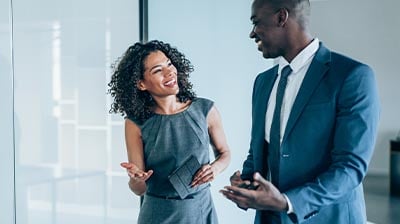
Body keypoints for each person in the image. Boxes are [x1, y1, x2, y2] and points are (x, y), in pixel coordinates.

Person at [220, 0, 380, 223]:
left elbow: (349, 169)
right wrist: (246, 184)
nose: (252, 33)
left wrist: (288, 202)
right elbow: (259, 151)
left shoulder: (351, 76)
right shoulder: (263, 82)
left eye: (256, 23)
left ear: (281, 18)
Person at [108, 40, 231, 224]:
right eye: (158, 70)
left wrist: (215, 168)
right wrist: (136, 179)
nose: (169, 72)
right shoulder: (135, 123)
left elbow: (225, 153)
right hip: (157, 214)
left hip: (200, 211)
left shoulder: (205, 110)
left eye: (169, 64)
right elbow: (139, 189)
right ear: (141, 84)